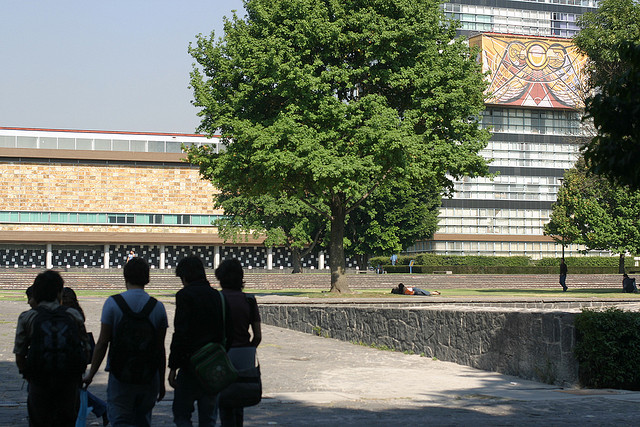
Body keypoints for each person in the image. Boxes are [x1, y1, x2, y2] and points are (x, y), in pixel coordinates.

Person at [83, 257, 168, 427]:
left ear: (125, 277)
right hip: (148, 376)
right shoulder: (157, 307)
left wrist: (91, 374)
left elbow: (102, 343)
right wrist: (161, 381)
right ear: (148, 278)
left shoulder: (113, 304)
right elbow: (160, 349)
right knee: (143, 421)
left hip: (120, 374)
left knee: (120, 420)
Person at [14, 270, 90, 427]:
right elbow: (86, 348)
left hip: (39, 382)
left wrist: (28, 374)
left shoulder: (27, 317)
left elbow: (20, 354)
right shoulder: (73, 315)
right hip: (68, 382)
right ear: (59, 292)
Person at [168, 255, 234, 427]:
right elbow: (229, 331)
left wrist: (173, 367)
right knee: (209, 418)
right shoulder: (218, 297)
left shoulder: (184, 295)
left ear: (185, 276)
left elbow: (180, 333)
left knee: (182, 415)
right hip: (213, 365)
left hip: (190, 365)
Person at [217, 258, 262, 427]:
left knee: (225, 401)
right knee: (240, 398)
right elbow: (257, 335)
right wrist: (250, 348)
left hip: (222, 353)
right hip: (245, 352)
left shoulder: (217, 298)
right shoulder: (249, 300)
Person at [61, 287, 109, 426]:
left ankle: (102, 408)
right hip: (77, 356)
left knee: (72, 390)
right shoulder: (78, 312)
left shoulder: (68, 314)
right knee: (74, 389)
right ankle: (102, 408)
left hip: (70, 356)